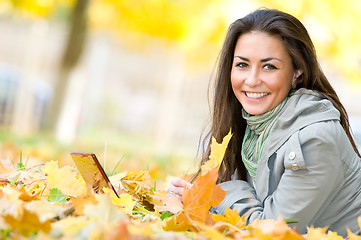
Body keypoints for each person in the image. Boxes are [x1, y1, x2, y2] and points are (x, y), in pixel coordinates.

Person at [168, 8, 361, 237]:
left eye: (269, 66)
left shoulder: (315, 139)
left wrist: (217, 193)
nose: (251, 80)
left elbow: (270, 232)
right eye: (242, 64)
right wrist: (191, 197)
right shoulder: (255, 126)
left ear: (296, 72)